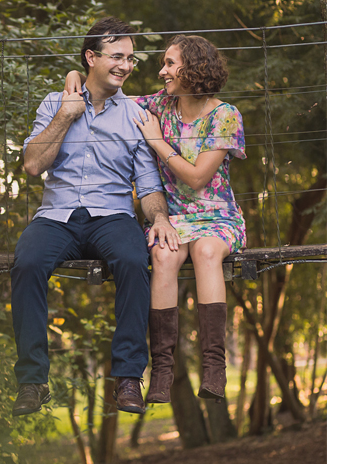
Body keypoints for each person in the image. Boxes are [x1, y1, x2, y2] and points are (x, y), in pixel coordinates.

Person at [11, 17, 179, 417]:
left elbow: (149, 184)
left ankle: (126, 378)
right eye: (117, 56)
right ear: (91, 57)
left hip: (112, 216)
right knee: (27, 262)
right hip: (57, 215)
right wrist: (67, 115)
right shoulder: (55, 103)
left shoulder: (136, 114)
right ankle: (32, 382)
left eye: (131, 58)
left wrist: (159, 218)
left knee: (136, 259)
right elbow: (33, 165)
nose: (125, 65)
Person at [65, 34, 246, 403]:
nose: (161, 71)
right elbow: (108, 96)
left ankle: (214, 369)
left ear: (193, 68)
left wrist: (157, 142)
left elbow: (197, 177)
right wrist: (74, 75)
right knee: (162, 255)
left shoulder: (224, 114)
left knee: (207, 253)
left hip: (218, 217)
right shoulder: (160, 106)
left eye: (169, 63)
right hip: (173, 219)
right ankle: (162, 370)